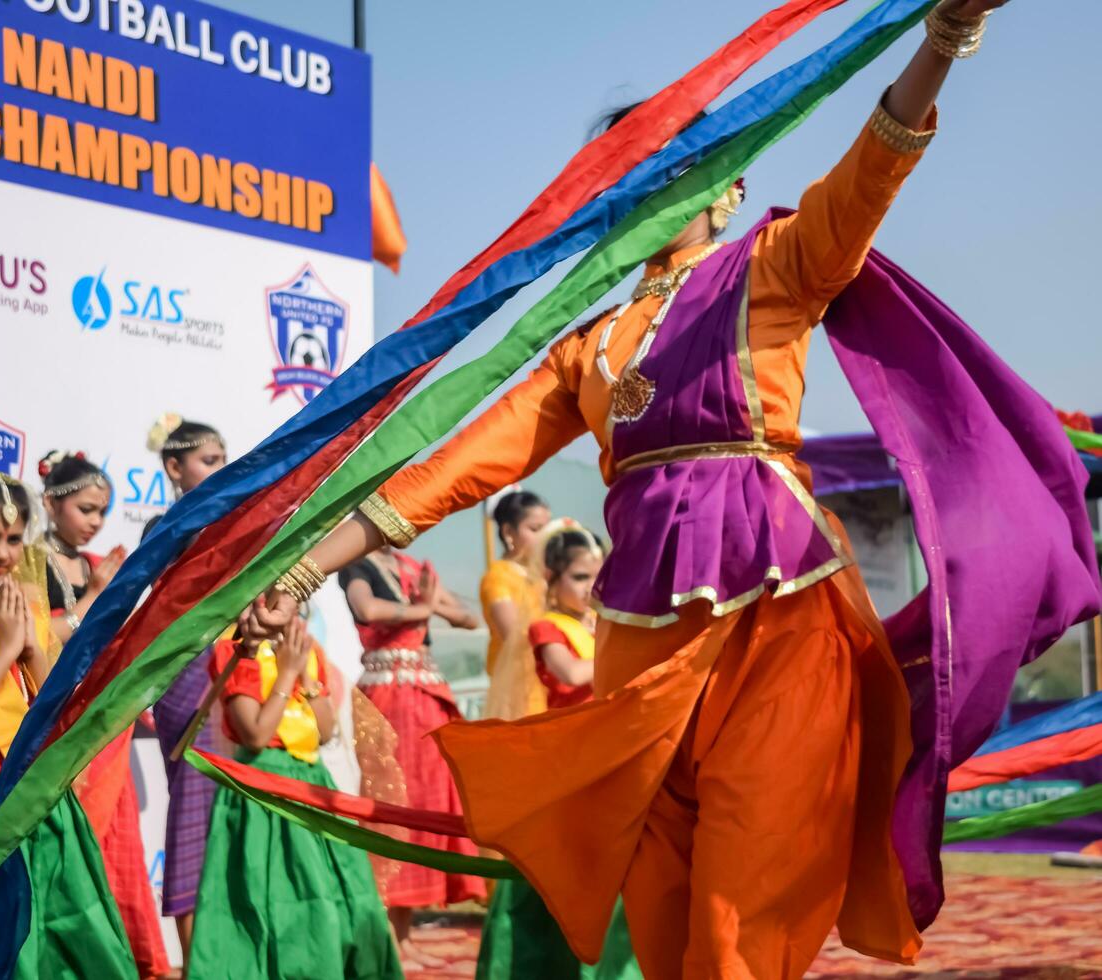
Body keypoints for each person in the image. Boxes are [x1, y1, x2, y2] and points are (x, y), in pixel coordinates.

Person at [287, 2, 1028, 976]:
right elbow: (452, 470)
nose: (652, 192)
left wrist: (941, 41)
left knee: (738, 903)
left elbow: (871, 171)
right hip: (639, 651)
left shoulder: (774, 268)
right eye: (632, 176)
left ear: (726, 190)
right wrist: (302, 568)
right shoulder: (584, 349)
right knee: (669, 916)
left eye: (674, 169)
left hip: (780, 619)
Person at [0, 471, 135, 978]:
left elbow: (52, 704)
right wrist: (8, 647)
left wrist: (31, 646)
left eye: (14, 539)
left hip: (31, 797)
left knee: (52, 935)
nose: (3, 553)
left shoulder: (23, 607)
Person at [186, 616, 402, 980]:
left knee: (341, 899)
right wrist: (286, 674)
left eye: (295, 595)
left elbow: (326, 730)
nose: (289, 605)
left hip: (311, 782)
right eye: (280, 592)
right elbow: (254, 733)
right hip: (261, 789)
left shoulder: (306, 647)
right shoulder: (237, 651)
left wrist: (304, 676)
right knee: (269, 899)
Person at [477, 522, 639, 980]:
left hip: (612, 755)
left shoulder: (604, 625)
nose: (592, 587)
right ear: (551, 578)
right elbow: (567, 672)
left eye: (597, 576)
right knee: (569, 870)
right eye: (580, 577)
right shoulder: (546, 625)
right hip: (573, 763)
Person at [39, 451, 172, 980]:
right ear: (51, 503)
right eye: (86, 509)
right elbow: (33, 636)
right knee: (74, 834)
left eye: (102, 511)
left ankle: (120, 955)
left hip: (105, 716)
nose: (95, 521)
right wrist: (94, 597)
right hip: (53, 716)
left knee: (117, 839)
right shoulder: (27, 561)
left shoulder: (98, 562)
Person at [337, 547, 483, 968]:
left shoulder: (417, 569)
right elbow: (366, 607)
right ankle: (386, 938)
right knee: (389, 809)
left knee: (424, 809)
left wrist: (430, 604)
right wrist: (419, 609)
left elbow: (467, 618)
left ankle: (405, 931)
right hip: (389, 700)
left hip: (425, 696)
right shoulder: (357, 563)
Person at [142, 414, 228, 965]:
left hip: (238, 668)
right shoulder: (164, 530)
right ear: (174, 468)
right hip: (189, 673)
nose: (223, 468)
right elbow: (173, 607)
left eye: (224, 458)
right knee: (197, 809)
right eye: (210, 460)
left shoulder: (235, 519)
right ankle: (198, 962)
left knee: (238, 811)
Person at [480, 492, 549, 720]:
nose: (545, 537)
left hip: (552, 681)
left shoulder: (545, 577)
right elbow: (514, 636)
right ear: (509, 532)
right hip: (519, 690)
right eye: (535, 529)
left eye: (547, 528)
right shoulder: (498, 576)